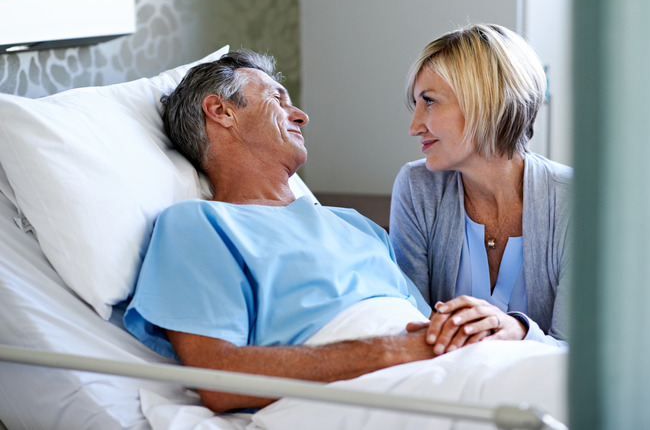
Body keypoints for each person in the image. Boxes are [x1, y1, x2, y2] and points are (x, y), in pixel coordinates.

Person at [123, 49, 437, 413]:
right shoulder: (198, 226)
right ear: (221, 111)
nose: (301, 116)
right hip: (363, 391)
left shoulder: (355, 224)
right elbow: (220, 380)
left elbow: (428, 326)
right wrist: (391, 351)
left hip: (443, 365)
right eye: (277, 99)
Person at [390, 23, 571, 353]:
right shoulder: (418, 189)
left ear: (486, 101)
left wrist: (517, 331)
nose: (414, 126)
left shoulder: (574, 202)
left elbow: (579, 357)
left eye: (429, 101)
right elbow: (411, 328)